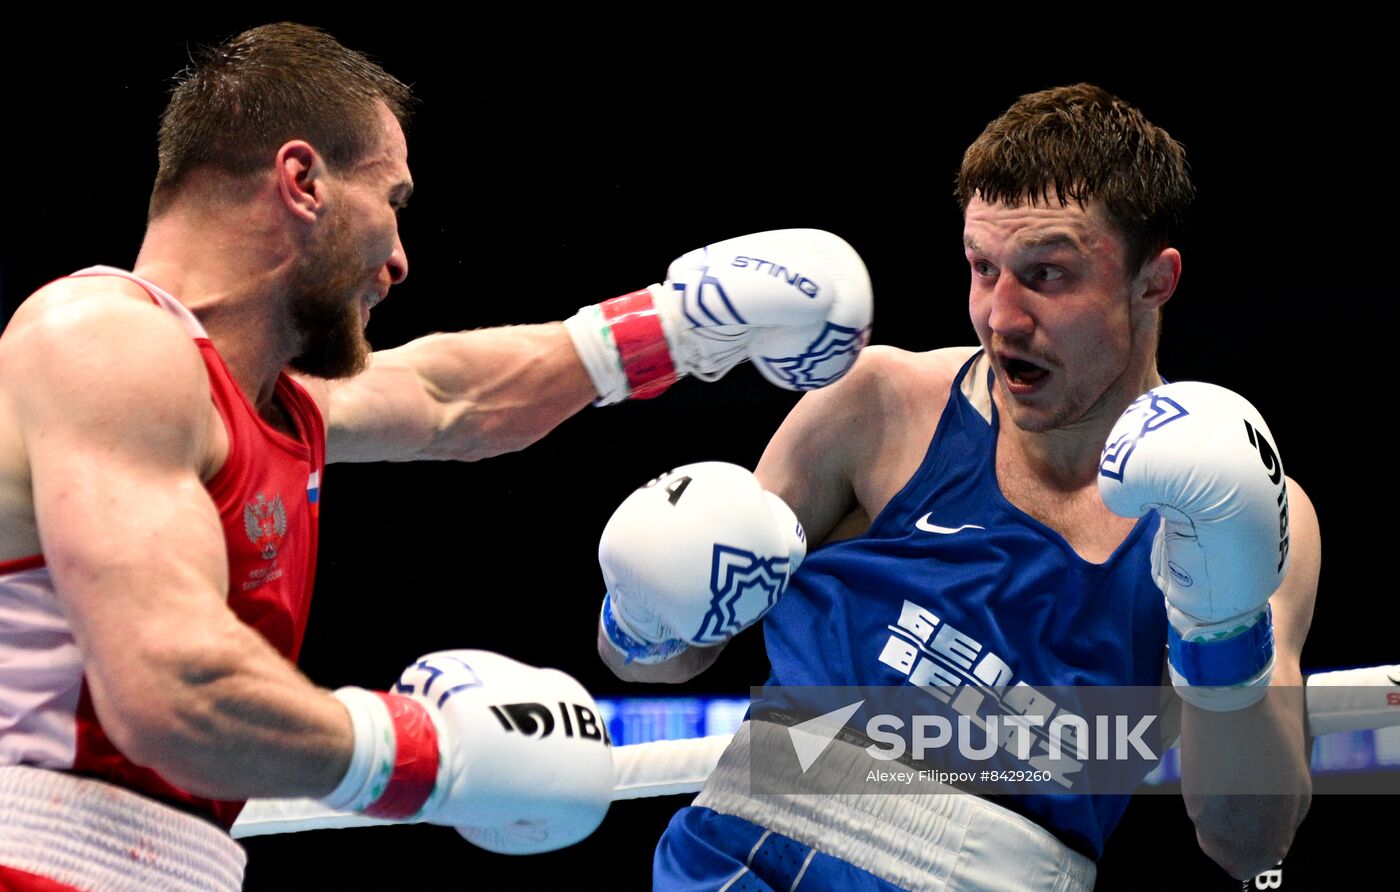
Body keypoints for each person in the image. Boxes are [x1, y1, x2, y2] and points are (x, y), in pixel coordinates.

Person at [0, 22, 872, 891]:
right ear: (302, 182)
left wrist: (683, 323)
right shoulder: (104, 339)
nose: (401, 259)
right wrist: (426, 752)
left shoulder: (261, 398)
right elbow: (172, 693)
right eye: (394, 201)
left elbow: (450, 397)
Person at [598, 83, 1321, 888]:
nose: (1000, 317)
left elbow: (1250, 843)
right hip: (745, 855)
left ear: (1155, 281)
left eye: (1047, 273)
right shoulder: (879, 404)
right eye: (982, 268)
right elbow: (660, 661)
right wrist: (642, 607)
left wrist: (1221, 630)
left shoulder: (1255, 507)